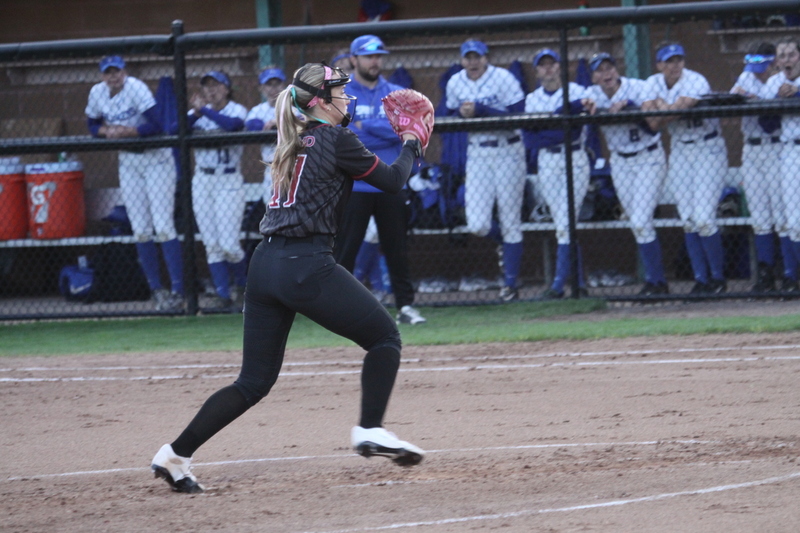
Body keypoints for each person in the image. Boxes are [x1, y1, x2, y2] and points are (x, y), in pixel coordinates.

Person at [150, 63, 425, 493]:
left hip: (265, 266)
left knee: (253, 382)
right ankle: (370, 428)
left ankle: (174, 455)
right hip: (305, 263)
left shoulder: (292, 137)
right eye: (339, 92)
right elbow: (391, 181)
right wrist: (411, 142)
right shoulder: (336, 138)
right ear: (320, 101)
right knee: (385, 338)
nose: (346, 98)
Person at [333, 34, 426, 324]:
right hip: (355, 183)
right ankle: (337, 309)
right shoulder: (342, 94)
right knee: (345, 250)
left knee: (397, 249)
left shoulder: (397, 94)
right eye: (368, 56)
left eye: (378, 56)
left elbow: (405, 131)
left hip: (390, 180)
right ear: (353, 59)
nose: (375, 61)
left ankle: (406, 307)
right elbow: (343, 134)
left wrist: (364, 125)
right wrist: (382, 128)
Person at [85, 55, 184, 312]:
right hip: (129, 161)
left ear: (124, 71)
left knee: (163, 226)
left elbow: (157, 125)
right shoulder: (97, 92)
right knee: (140, 228)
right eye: (108, 72)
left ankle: (178, 291)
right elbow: (92, 124)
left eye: (117, 71)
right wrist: (106, 131)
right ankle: (157, 290)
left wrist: (127, 131)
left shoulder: (136, 88)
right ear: (102, 75)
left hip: (156, 159)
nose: (113, 76)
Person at [642, 42, 728, 295]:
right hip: (680, 150)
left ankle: (718, 279)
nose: (675, 65)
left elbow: (680, 109)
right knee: (688, 220)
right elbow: (652, 123)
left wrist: (661, 106)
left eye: (678, 60)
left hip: (708, 148)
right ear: (659, 65)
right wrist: (665, 109)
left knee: (703, 218)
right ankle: (701, 280)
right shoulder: (652, 82)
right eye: (669, 61)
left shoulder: (696, 79)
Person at [445, 39, 527, 301]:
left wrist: (481, 110)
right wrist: (462, 115)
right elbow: (449, 117)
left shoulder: (503, 78)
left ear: (486, 58)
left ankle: (510, 285)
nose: (473, 62)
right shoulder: (455, 82)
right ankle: (505, 242)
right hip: (478, 151)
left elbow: (519, 116)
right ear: (462, 60)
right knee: (477, 223)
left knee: (511, 218)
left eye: (477, 57)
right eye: (468, 57)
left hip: (508, 150)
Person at [586, 52, 669, 296]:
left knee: (641, 220)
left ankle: (657, 281)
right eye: (600, 70)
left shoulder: (638, 87)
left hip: (648, 157)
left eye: (609, 67)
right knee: (638, 224)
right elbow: (584, 113)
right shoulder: (592, 93)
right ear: (594, 77)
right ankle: (656, 282)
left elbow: (653, 126)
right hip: (620, 161)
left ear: (617, 69)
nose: (606, 73)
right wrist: (590, 109)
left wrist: (630, 108)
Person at [524, 48, 594, 299]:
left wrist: (547, 127)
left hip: (575, 158)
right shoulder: (532, 99)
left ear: (560, 67)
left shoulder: (578, 92)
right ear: (537, 71)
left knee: (565, 222)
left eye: (552, 63)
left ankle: (557, 286)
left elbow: (574, 132)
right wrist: (560, 125)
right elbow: (531, 139)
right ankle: (579, 284)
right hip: (548, 161)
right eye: (542, 65)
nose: (548, 68)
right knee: (564, 223)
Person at [731, 43, 796, 292]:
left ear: (773, 65)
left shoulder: (778, 82)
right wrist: (743, 99)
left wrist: (760, 102)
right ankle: (766, 275)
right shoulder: (747, 77)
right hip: (751, 150)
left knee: (782, 216)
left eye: (764, 66)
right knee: (759, 217)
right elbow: (733, 102)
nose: (759, 72)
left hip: (776, 148)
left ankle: (790, 274)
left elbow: (771, 124)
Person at [188, 70, 249, 311]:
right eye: (207, 86)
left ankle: (244, 289)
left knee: (229, 245)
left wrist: (204, 111)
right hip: (202, 180)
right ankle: (223, 295)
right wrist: (196, 113)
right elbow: (174, 129)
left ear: (227, 88)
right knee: (211, 244)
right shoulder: (196, 114)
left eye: (216, 85)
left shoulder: (237, 110)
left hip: (228, 180)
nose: (211, 90)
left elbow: (232, 125)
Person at [762, 36, 800, 293]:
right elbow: (767, 125)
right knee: (793, 222)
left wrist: (797, 94)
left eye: (791, 54)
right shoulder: (774, 83)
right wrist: (778, 100)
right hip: (789, 153)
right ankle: (792, 277)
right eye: (782, 56)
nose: (787, 60)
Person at [245, 66, 287, 203]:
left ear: (284, 85)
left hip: (296, 166)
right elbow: (253, 126)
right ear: (261, 88)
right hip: (272, 168)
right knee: (273, 211)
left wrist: (277, 123)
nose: (273, 88)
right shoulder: (258, 110)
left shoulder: (295, 107)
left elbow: (304, 124)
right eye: (269, 84)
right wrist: (282, 126)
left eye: (277, 84)